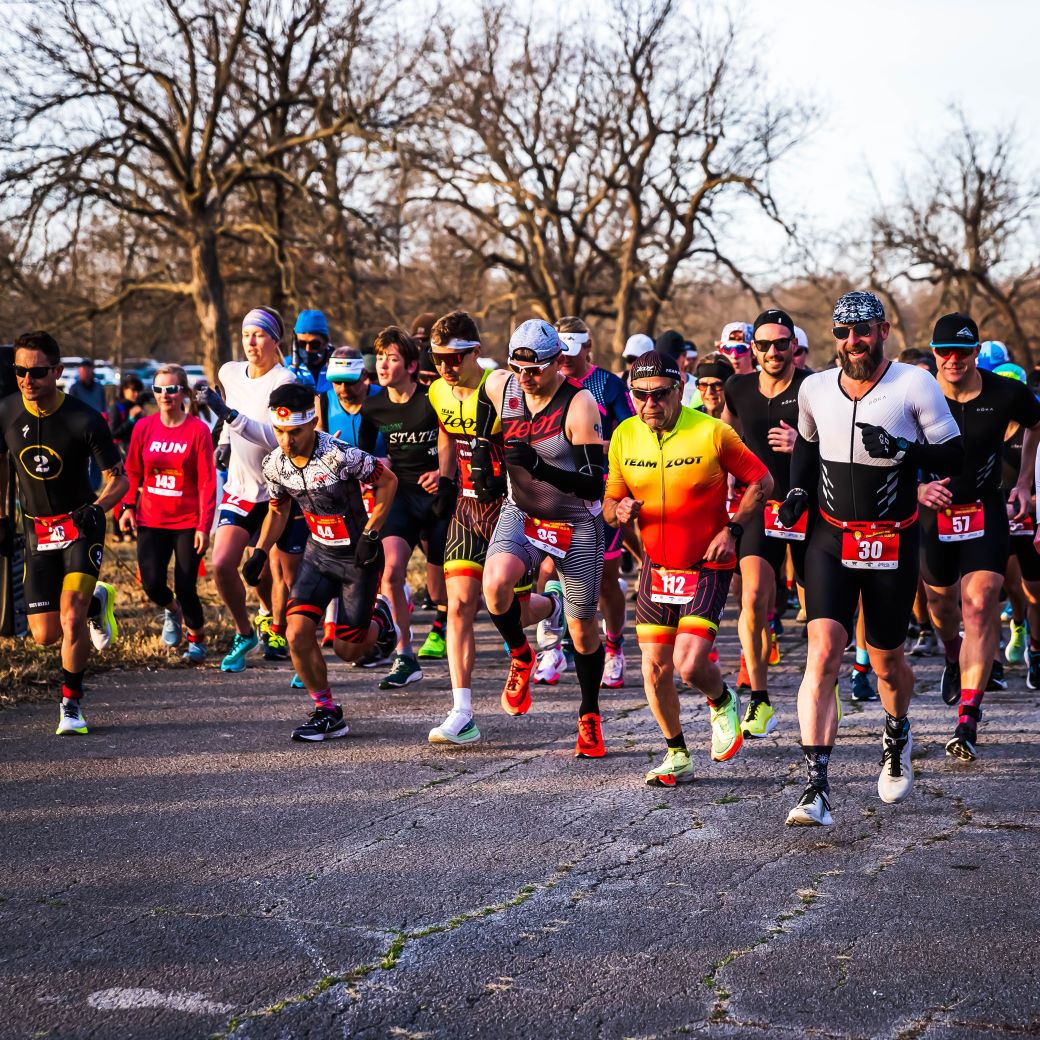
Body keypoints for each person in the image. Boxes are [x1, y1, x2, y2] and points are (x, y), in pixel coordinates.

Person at [775, 291, 963, 827]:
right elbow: (807, 450)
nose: (851, 342)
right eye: (842, 333)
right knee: (824, 650)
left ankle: (898, 729)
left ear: (883, 331)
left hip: (892, 539)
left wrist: (902, 450)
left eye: (862, 331)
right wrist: (796, 495)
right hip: (831, 539)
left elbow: (952, 454)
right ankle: (816, 787)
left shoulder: (913, 383)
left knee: (885, 661)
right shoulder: (813, 387)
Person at [604, 351, 772, 785]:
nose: (649, 405)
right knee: (654, 667)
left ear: (680, 390)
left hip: (708, 562)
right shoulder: (625, 435)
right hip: (658, 566)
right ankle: (676, 752)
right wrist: (618, 509)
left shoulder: (712, 432)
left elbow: (762, 481)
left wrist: (732, 531)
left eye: (659, 395)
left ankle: (722, 700)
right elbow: (607, 505)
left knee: (690, 664)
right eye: (639, 396)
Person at [426, 310, 561, 744]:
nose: (447, 367)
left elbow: (534, 429)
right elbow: (447, 432)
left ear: (476, 353)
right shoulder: (436, 391)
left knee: (515, 612)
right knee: (461, 604)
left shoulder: (500, 384)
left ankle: (553, 608)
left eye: (455, 358)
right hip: (467, 510)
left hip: (509, 510)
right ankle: (461, 711)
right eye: (439, 358)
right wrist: (447, 479)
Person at [477, 319, 607, 756]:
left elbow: (594, 486)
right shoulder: (502, 385)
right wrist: (482, 446)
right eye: (519, 367)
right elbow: (484, 395)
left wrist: (538, 465)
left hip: (576, 521)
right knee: (494, 587)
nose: (526, 377)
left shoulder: (579, 405)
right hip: (523, 512)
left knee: (583, 628)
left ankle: (589, 714)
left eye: (535, 369)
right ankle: (521, 654)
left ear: (558, 364)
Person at [913, 314, 1040, 762]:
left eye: (962, 352)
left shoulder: (1005, 392)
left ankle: (968, 716)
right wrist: (917, 488)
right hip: (933, 516)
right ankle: (952, 655)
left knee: (982, 603)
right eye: (944, 351)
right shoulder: (915, 392)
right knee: (942, 607)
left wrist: (1024, 483)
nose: (953, 360)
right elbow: (886, 447)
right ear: (933, 353)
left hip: (985, 510)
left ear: (975, 352)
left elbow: (1035, 424)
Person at [245, 383, 398, 741]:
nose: (287, 441)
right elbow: (278, 511)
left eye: (295, 432)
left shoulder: (341, 454)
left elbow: (388, 482)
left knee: (348, 648)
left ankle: (382, 619)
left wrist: (372, 533)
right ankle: (326, 711)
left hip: (357, 558)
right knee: (295, 632)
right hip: (318, 555)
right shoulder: (275, 464)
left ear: (313, 421)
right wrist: (260, 550)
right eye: (280, 432)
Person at [0, 332, 128, 735]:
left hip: (79, 526)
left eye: (36, 372)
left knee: (70, 618)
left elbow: (119, 481)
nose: (27, 380)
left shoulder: (84, 418)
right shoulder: (5, 411)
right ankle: (97, 601)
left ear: (56, 371)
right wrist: (3, 518)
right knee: (44, 634)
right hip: (37, 531)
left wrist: (97, 509)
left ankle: (70, 704)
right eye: (19, 371)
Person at [723, 309, 811, 739]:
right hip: (762, 504)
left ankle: (822, 685)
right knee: (754, 597)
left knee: (817, 612)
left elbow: (842, 440)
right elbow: (724, 439)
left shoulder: (815, 386)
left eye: (782, 343)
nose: (773, 351)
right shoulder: (737, 388)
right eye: (764, 344)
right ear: (752, 348)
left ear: (794, 345)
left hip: (810, 505)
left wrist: (803, 444)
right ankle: (758, 698)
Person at [204, 308, 306, 672]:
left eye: (260, 334)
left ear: (275, 341)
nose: (251, 341)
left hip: (280, 491)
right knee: (221, 564)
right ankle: (246, 631)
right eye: (247, 333)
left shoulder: (285, 381)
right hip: (241, 488)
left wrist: (231, 419)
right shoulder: (228, 373)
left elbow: (281, 440)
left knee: (282, 575)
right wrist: (225, 440)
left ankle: (295, 647)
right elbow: (234, 422)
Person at [541, 316, 635, 689]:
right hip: (556, 495)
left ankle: (614, 648)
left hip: (602, 493)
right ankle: (552, 648)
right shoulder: (548, 385)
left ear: (588, 347)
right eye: (559, 353)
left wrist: (591, 448)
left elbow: (629, 434)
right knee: (547, 571)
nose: (564, 360)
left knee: (608, 579)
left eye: (572, 352)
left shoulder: (607, 385)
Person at [359, 326, 448, 686]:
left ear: (411, 366)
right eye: (380, 358)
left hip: (439, 499)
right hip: (400, 499)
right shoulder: (373, 405)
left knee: (443, 589)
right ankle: (405, 654)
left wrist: (442, 473)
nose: (383, 365)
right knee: (392, 573)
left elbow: (457, 439)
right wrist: (378, 465)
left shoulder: (433, 399)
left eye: (392, 358)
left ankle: (450, 632)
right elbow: (365, 455)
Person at [118, 365, 217, 661]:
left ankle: (197, 639)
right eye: (159, 389)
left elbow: (207, 481)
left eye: (172, 389)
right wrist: (127, 506)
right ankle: (172, 611)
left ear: (184, 393)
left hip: (187, 522)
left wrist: (204, 526)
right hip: (151, 519)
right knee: (152, 584)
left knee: (186, 586)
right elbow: (133, 471)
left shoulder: (197, 430)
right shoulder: (143, 427)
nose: (165, 395)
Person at [285, 309, 333, 394]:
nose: (307, 349)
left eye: (314, 344)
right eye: (302, 343)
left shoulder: (337, 367)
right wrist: (294, 367)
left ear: (325, 343)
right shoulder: (285, 365)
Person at [694, 353, 734, 419]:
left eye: (717, 385)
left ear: (729, 386)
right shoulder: (690, 418)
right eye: (703, 385)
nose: (709, 392)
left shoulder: (743, 419)